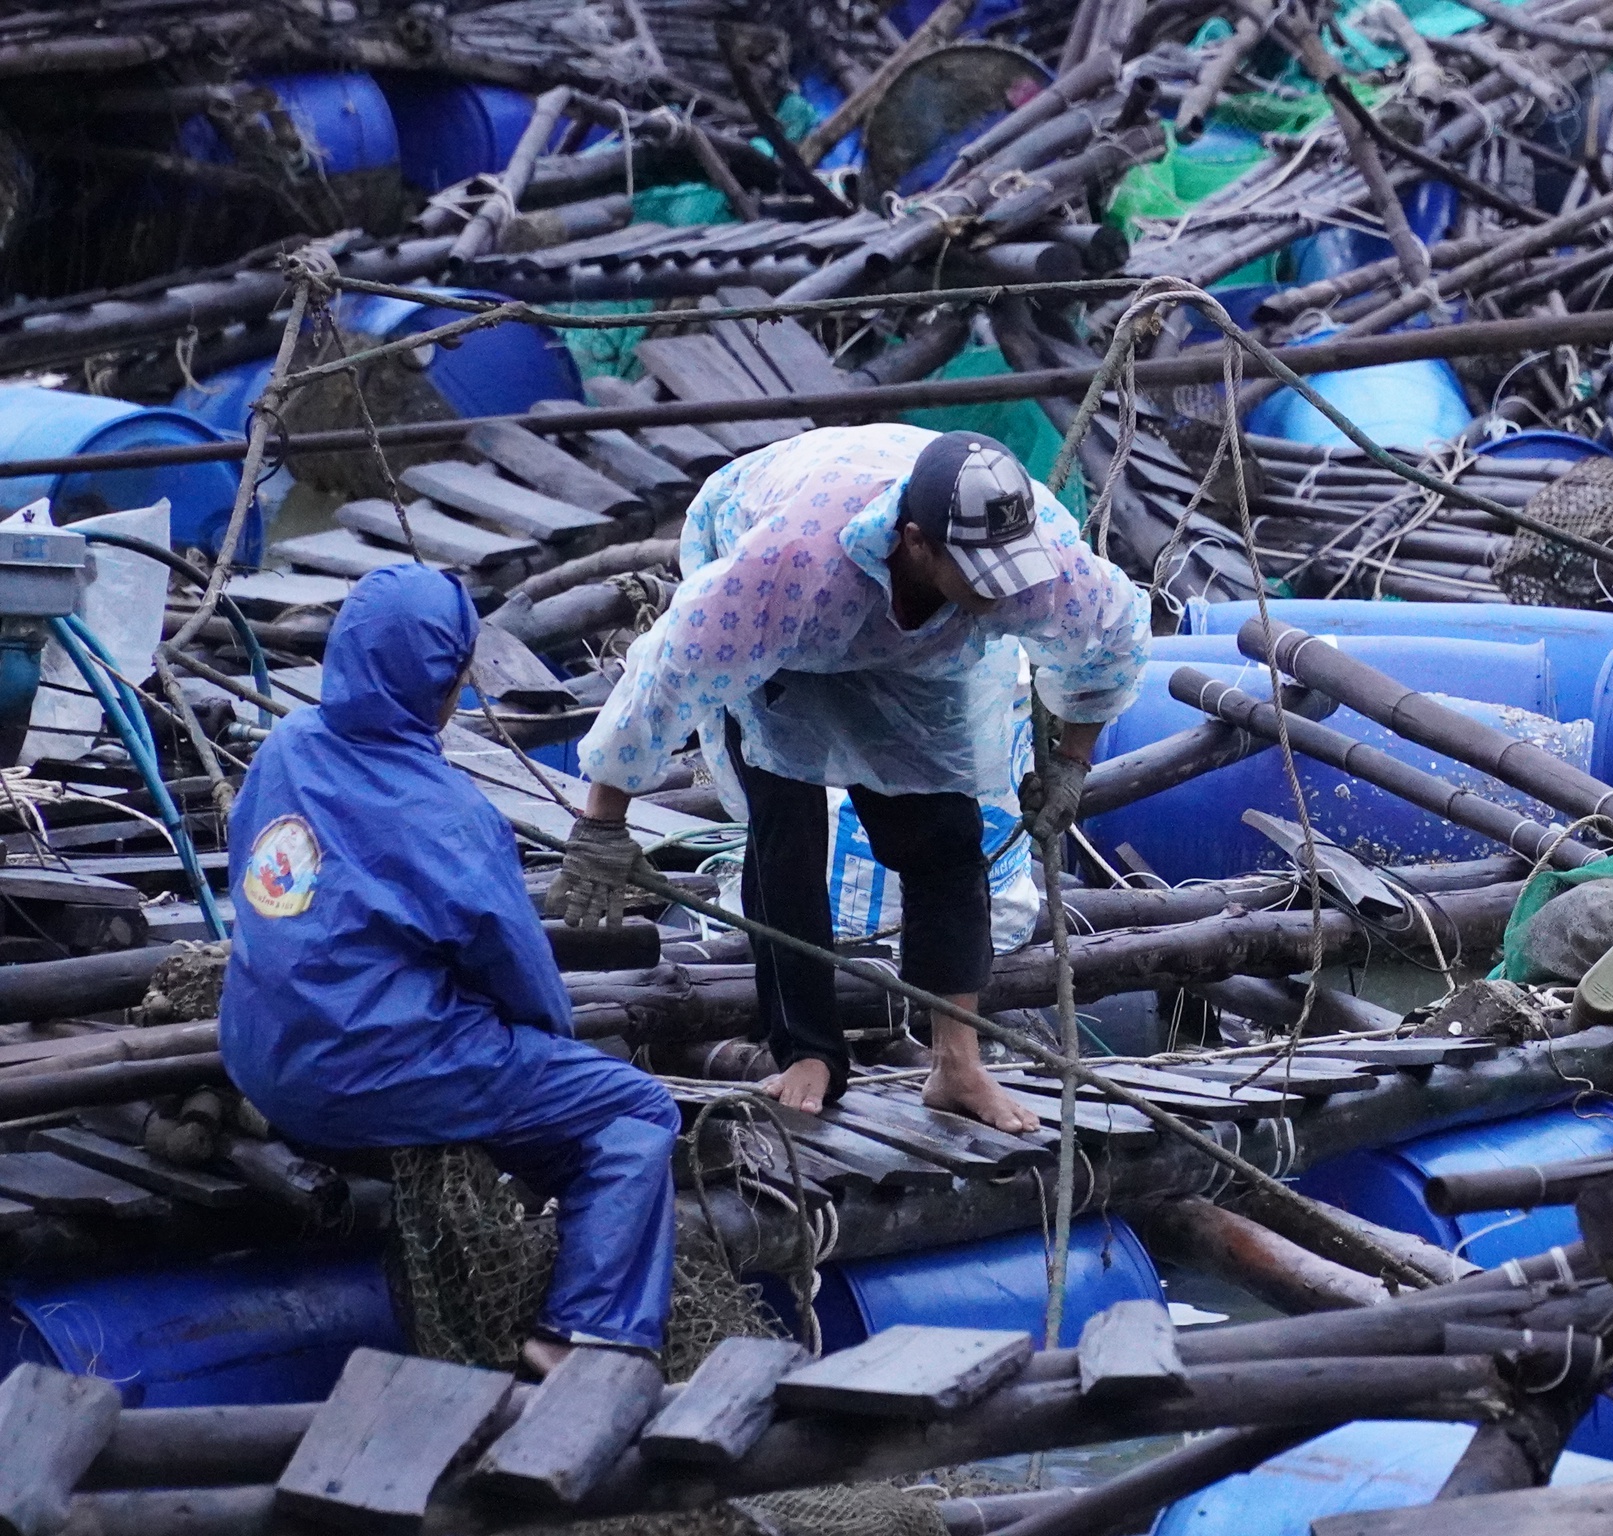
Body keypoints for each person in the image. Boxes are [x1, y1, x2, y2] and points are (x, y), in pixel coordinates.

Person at [547, 425, 1150, 1132]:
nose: (1004, 594)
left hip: (920, 654)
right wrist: (604, 819)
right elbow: (669, 676)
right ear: (916, 541)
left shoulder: (1040, 561)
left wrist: (1071, 765)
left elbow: (1112, 647)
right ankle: (807, 1050)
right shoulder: (785, 567)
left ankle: (956, 1062)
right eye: (984, 578)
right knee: (786, 819)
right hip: (795, 615)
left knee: (945, 832)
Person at [220, 563, 679, 1376]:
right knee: (636, 1109)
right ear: (447, 685)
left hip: (259, 1054)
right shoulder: (451, 813)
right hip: (368, 1075)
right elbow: (521, 975)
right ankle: (585, 1332)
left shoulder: (285, 748)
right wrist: (555, 1053)